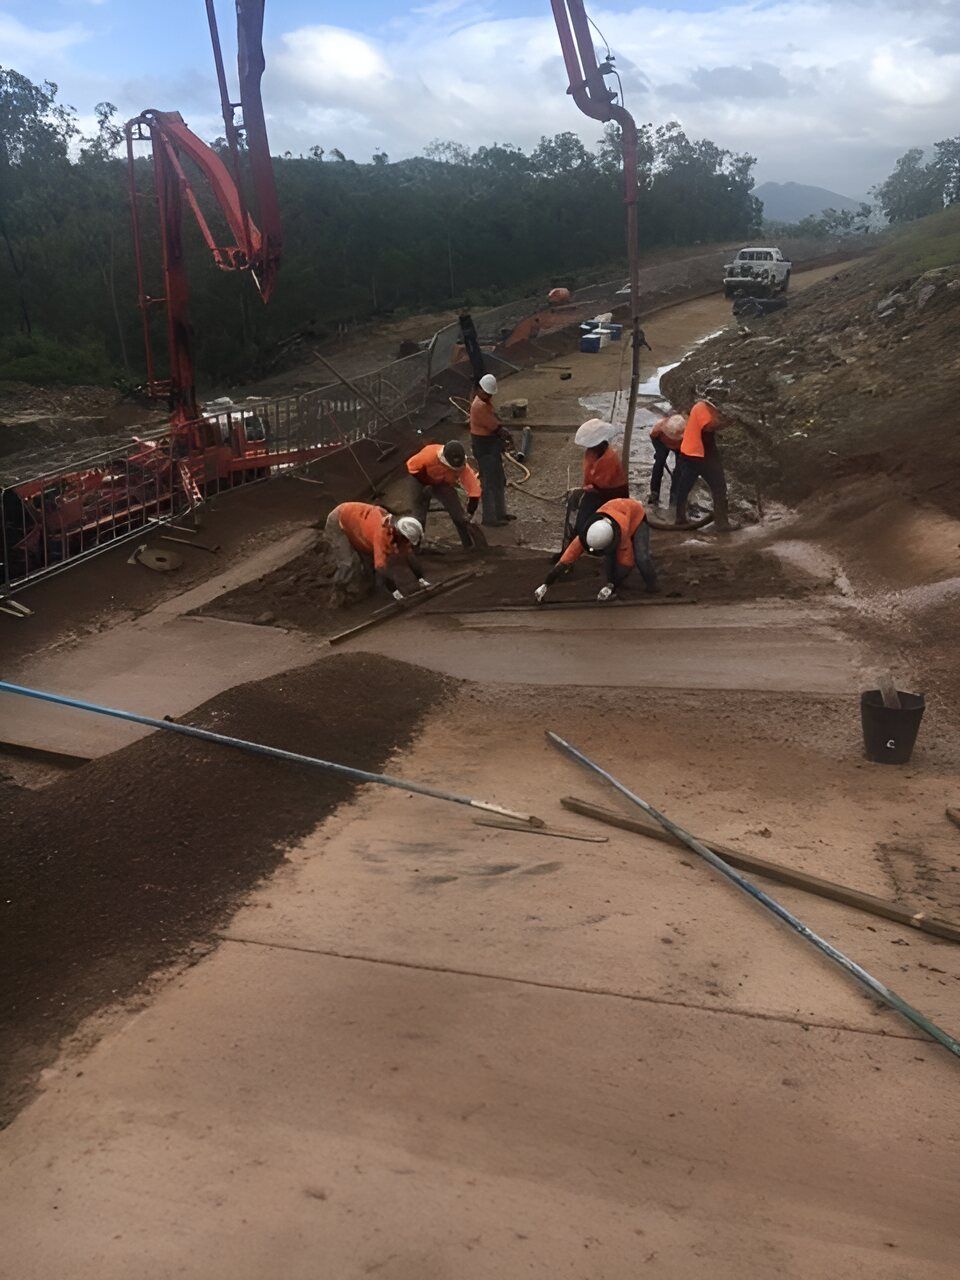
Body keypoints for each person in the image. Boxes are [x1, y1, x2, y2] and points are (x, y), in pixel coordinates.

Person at [534, 497, 657, 603]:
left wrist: (612, 585)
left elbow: (627, 562)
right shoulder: (590, 532)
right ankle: (612, 583)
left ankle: (652, 585)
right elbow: (568, 558)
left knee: (642, 557)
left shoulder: (623, 533)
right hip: (616, 509)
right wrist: (546, 584)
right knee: (609, 556)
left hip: (636, 514)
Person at [324, 501, 428, 601]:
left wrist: (421, 579)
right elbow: (381, 567)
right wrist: (396, 592)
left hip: (357, 523)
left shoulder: (397, 529)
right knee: (349, 563)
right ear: (402, 534)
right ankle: (338, 592)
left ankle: (368, 586)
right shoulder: (381, 535)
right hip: (339, 519)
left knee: (370, 560)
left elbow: (407, 553)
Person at [673, 389, 732, 530]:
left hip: (690, 453)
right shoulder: (702, 407)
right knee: (719, 487)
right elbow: (708, 427)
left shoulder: (703, 408)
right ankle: (722, 523)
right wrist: (728, 423)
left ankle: (680, 518)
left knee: (684, 486)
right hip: (701, 454)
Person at [406, 440, 481, 548]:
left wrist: (470, 512)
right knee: (419, 515)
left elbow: (474, 490)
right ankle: (415, 546)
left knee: (460, 517)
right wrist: (425, 482)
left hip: (442, 483)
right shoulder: (429, 456)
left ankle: (468, 545)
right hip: (419, 478)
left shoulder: (463, 467)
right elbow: (412, 467)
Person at [469, 373, 512, 527]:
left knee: (499, 480)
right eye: (486, 393)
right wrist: (504, 432)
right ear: (480, 389)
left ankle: (501, 513)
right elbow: (494, 426)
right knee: (489, 483)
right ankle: (490, 518)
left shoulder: (484, 402)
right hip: (484, 445)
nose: (488, 396)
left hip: (490, 444)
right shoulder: (479, 406)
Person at [647, 411, 686, 508]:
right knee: (659, 463)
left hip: (681, 448)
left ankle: (675, 496)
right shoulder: (658, 429)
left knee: (679, 470)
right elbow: (653, 438)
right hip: (662, 443)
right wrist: (659, 452)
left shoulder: (687, 434)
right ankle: (654, 492)